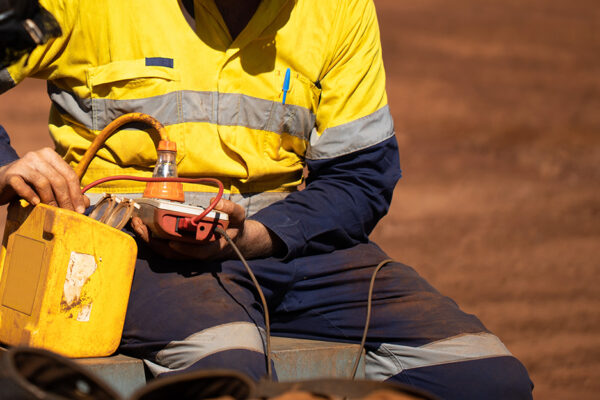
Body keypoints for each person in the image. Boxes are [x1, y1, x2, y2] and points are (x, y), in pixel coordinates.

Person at [0, 0, 533, 398]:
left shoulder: (337, 9)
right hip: (123, 241)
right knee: (227, 371)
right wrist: (6, 167)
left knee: (486, 378)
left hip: (276, 239)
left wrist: (256, 236)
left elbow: (359, 177)